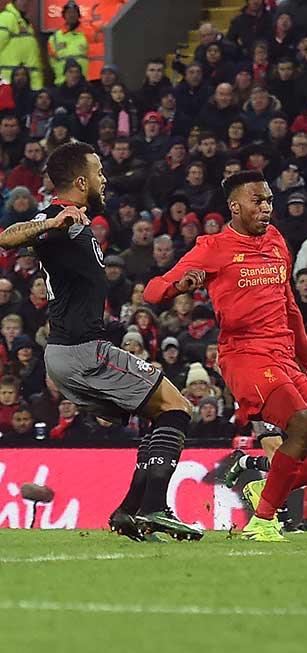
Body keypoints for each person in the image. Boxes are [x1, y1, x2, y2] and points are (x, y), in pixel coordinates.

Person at [0, 141, 200, 542]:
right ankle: (155, 507)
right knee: (179, 407)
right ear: (81, 180)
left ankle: (128, 512)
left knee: (159, 416)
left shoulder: (77, 222)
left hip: (69, 352)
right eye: (98, 172)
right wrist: (49, 224)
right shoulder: (61, 217)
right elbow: (7, 236)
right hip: (81, 350)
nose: (104, 179)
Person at [144, 171, 307, 542]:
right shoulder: (213, 247)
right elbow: (152, 291)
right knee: (303, 426)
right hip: (245, 356)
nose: (266, 208)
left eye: (269, 201)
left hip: (284, 357)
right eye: (257, 201)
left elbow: (290, 306)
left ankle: (265, 489)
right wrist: (180, 284)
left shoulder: (276, 240)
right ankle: (263, 520)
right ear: (235, 206)